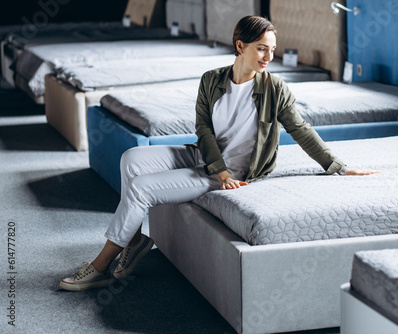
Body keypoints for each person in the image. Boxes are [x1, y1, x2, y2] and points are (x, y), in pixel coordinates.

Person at [59, 16, 379, 291]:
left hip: (237, 172)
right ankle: (134, 240)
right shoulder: (211, 80)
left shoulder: (274, 88)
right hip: (205, 156)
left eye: (272, 49)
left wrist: (337, 166)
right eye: (261, 48)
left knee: (142, 189)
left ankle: (100, 266)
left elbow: (301, 129)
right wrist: (217, 168)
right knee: (131, 158)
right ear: (240, 46)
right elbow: (204, 130)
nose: (269, 56)